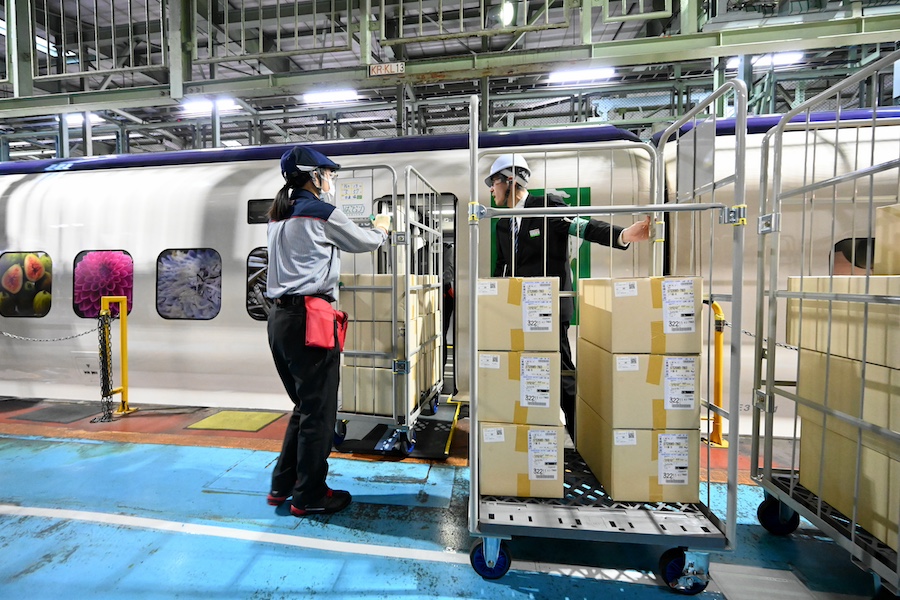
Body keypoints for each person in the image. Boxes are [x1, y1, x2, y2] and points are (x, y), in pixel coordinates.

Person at [486, 154, 651, 440]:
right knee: (523, 372)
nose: (491, 190)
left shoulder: (545, 207)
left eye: (493, 182)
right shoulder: (502, 224)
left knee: (562, 376)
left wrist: (622, 235)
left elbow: (581, 226)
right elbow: (502, 268)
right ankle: (530, 432)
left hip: (548, 309)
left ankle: (581, 439)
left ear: (510, 180)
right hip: (516, 313)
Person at [265, 145, 391, 517]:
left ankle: (282, 485)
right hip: (309, 320)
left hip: (279, 321)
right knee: (319, 412)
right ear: (314, 176)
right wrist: (382, 228)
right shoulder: (321, 212)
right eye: (329, 173)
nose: (332, 179)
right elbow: (364, 242)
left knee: (304, 407)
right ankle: (310, 495)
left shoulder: (277, 216)